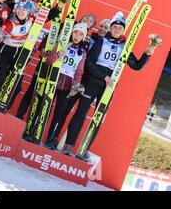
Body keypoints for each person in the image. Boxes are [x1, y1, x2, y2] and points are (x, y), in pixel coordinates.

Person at [62, 11, 157, 160]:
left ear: (123, 30)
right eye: (115, 27)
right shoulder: (101, 41)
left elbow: (137, 66)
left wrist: (149, 52)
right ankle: (68, 145)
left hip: (108, 87)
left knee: (98, 118)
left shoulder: (125, 46)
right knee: (81, 113)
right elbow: (89, 63)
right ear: (111, 28)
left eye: (120, 27)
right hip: (94, 81)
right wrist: (103, 76)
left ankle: (84, 148)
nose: (117, 29)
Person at [0, 0, 36, 112]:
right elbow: (0, 35)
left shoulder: (32, 20)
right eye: (19, 8)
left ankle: (0, 103)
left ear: (29, 12)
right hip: (5, 51)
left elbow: (47, 17)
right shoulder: (11, 23)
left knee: (14, 81)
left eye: (24, 10)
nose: (20, 11)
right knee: (1, 76)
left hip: (19, 52)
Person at [41, 23, 88, 149]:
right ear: (71, 33)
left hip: (67, 86)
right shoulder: (62, 44)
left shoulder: (82, 53)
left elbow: (79, 72)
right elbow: (48, 61)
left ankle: (50, 139)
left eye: (80, 34)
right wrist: (57, 55)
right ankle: (36, 131)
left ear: (84, 37)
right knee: (45, 107)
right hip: (53, 80)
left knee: (59, 113)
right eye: (75, 32)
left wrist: (75, 87)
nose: (77, 36)